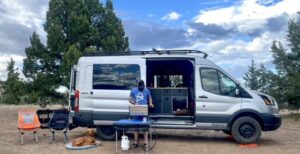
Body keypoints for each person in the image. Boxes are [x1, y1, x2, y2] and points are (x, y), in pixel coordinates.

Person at [128, 80, 154, 148]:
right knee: (136, 126)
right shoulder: (133, 90)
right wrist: (134, 103)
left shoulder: (147, 90)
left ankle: (145, 142)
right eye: (140, 87)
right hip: (136, 110)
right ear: (138, 86)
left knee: (145, 126)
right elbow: (130, 99)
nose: (141, 88)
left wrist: (150, 103)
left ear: (144, 85)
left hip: (144, 110)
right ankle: (135, 142)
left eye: (142, 87)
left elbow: (150, 98)